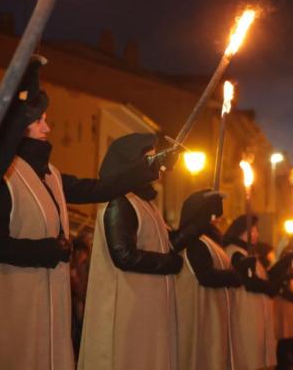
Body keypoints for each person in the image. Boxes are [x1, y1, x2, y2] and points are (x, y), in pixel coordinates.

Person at [0, 57, 157, 370]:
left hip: (50, 304)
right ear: (18, 126)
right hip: (14, 306)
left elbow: (99, 189)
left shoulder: (51, 174)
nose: (47, 127)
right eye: (38, 121)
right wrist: (48, 249)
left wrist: (146, 170)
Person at [78, 133, 202, 370]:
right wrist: (169, 263)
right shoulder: (120, 202)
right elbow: (123, 254)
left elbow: (164, 243)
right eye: (149, 159)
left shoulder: (146, 204)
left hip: (146, 308)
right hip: (128, 310)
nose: (155, 166)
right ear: (131, 164)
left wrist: (195, 224)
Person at [175, 189, 240, 370]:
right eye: (212, 214)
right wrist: (234, 277)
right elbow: (205, 275)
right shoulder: (196, 242)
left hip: (210, 312)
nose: (217, 219)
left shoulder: (208, 240)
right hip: (198, 312)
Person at [223, 216, 293, 370]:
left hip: (255, 311)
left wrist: (283, 265)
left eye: (256, 230)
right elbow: (248, 281)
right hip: (245, 311)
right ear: (240, 232)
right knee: (248, 356)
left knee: (256, 356)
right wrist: (271, 288)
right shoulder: (235, 252)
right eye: (252, 230)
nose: (256, 234)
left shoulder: (246, 252)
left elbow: (264, 276)